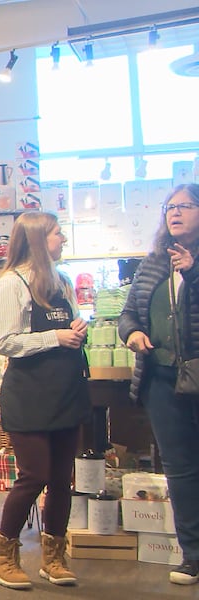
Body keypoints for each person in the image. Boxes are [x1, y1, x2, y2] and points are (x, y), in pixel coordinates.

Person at [0, 211, 89, 590]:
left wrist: (78, 330)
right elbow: (5, 341)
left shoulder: (62, 282)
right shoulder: (11, 284)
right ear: (36, 240)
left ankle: (53, 556)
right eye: (57, 234)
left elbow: (71, 327)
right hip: (30, 394)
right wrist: (56, 338)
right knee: (35, 476)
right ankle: (3, 555)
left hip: (67, 391)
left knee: (63, 478)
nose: (63, 239)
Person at [119, 183, 199, 585]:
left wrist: (195, 272)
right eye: (170, 207)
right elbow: (128, 313)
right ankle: (192, 556)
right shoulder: (153, 264)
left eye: (184, 206)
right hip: (162, 378)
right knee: (181, 469)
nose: (175, 212)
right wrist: (132, 333)